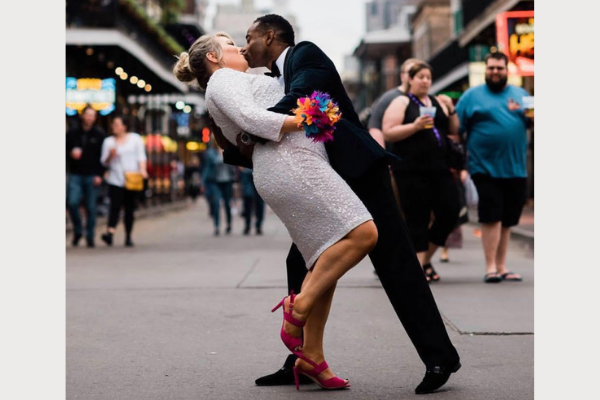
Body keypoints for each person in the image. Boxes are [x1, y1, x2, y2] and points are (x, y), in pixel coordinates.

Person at [228, 15, 460, 394]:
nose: (244, 44)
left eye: (249, 37)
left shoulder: (305, 56)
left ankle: (440, 358)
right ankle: (301, 359)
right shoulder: (270, 78)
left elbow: (301, 99)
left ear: (270, 37)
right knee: (299, 260)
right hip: (323, 179)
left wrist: (256, 126)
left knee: (394, 260)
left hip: (357, 170)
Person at [174, 31, 378, 390]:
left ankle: (312, 357)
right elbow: (251, 119)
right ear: (213, 58)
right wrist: (309, 117)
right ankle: (296, 310)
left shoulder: (235, 79)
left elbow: (246, 131)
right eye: (229, 43)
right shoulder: (223, 79)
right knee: (364, 233)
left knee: (322, 260)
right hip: (290, 164)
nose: (238, 46)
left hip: (294, 162)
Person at [455, 52, 532, 283]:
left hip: (516, 167)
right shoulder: (471, 96)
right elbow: (457, 129)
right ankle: (490, 267)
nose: (495, 72)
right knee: (491, 216)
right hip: (484, 167)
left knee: (507, 219)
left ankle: (502, 266)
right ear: (485, 70)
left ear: (507, 70)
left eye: (499, 68)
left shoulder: (521, 95)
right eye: (491, 68)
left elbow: (532, 120)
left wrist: (526, 113)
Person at [382, 61, 461, 283]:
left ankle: (424, 260)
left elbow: (454, 130)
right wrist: (414, 126)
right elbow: (389, 132)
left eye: (428, 77)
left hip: (440, 168)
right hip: (411, 170)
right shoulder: (402, 101)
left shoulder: (437, 101)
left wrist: (451, 109)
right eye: (421, 77)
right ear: (410, 79)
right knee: (418, 217)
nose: (425, 81)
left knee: (450, 211)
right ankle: (417, 270)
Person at [99, 115, 148, 247]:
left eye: (117, 124)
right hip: (115, 179)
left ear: (124, 126)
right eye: (113, 124)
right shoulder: (108, 142)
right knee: (114, 206)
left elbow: (141, 156)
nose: (114, 126)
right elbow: (103, 162)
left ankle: (128, 235)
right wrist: (111, 155)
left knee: (129, 208)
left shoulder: (135, 139)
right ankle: (110, 233)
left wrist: (143, 170)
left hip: (132, 178)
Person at [66, 106, 106, 248]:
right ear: (83, 115)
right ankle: (78, 231)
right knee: (72, 203)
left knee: (91, 207)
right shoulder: (72, 133)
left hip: (92, 175)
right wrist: (71, 154)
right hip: (76, 174)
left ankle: (90, 236)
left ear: (95, 118)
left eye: (92, 116)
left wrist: (100, 174)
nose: (89, 118)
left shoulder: (99, 134)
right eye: (87, 115)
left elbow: (104, 157)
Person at [367, 58, 419, 148]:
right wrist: (383, 157)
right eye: (410, 72)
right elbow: (375, 127)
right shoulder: (389, 97)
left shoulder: (421, 98)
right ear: (402, 76)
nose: (413, 76)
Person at [203, 145, 236, 236]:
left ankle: (229, 224)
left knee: (227, 204)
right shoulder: (211, 153)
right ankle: (217, 226)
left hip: (227, 181)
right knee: (216, 203)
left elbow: (232, 163)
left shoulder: (229, 150)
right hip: (216, 181)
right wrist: (203, 182)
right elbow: (211, 164)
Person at [239, 167, 265, 235]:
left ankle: (259, 225)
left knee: (259, 201)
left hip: (259, 172)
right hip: (246, 172)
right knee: (248, 197)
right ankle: (247, 224)